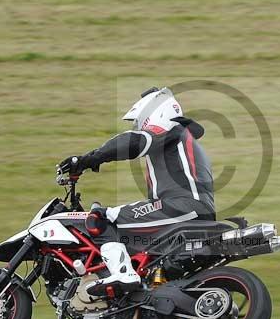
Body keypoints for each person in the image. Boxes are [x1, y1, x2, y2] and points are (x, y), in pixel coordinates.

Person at [57, 87, 214, 296]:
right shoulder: (183, 140)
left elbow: (132, 142)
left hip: (181, 206)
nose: (138, 127)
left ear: (152, 114)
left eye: (139, 122)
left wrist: (88, 159)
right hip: (194, 210)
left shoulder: (170, 130)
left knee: (100, 218)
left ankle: (123, 274)